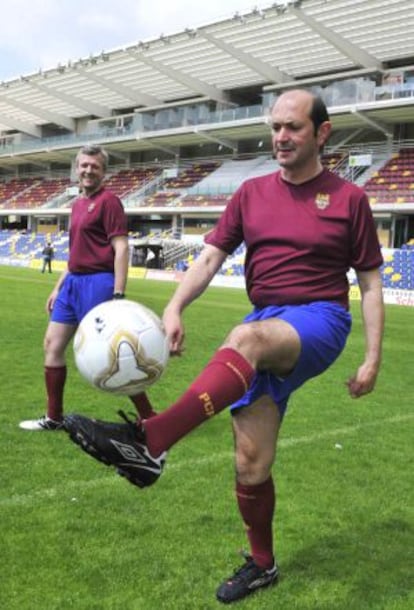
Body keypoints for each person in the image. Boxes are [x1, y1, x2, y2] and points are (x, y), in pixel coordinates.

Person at [64, 91, 385, 603]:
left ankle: (152, 441)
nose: (280, 136)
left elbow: (369, 282)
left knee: (244, 339)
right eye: (275, 126)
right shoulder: (251, 193)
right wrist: (173, 308)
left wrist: (371, 357)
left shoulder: (349, 199)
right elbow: (211, 256)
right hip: (264, 318)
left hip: (320, 319)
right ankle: (262, 564)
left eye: (293, 127)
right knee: (249, 463)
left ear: (322, 133)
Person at [20, 144, 157, 431]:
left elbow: (121, 249)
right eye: (83, 165)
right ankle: (54, 418)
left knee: (114, 354)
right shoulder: (77, 204)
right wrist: (59, 287)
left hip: (99, 283)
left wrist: (118, 295)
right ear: (76, 169)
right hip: (72, 283)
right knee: (52, 345)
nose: (88, 170)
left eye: (94, 166)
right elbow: (74, 255)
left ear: (103, 171)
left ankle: (149, 417)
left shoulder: (109, 202)